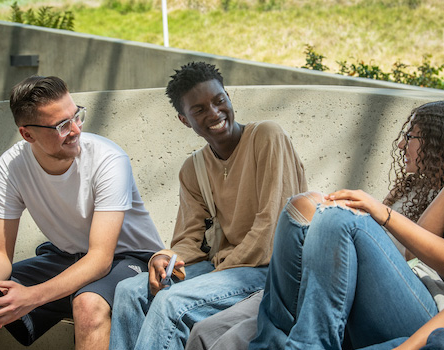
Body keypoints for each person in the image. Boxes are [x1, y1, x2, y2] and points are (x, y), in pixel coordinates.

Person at [185, 100, 444, 350]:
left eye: (411, 138)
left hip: (386, 298)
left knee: (236, 335)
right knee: (208, 331)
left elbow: (413, 256)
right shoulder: (409, 189)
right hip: (333, 277)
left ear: (438, 144)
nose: (399, 145)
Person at [249, 114, 444, 350]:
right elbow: (413, 252)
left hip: (437, 317)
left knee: (342, 218)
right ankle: (268, 344)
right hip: (409, 287)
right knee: (299, 210)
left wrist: (383, 214)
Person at [0, 76, 165, 349]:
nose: (75, 129)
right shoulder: (11, 166)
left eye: (77, 116)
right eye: (62, 125)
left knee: (88, 304)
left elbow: (100, 258)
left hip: (130, 260)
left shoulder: (108, 160)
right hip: (66, 258)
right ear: (28, 134)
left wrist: (30, 297)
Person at [108, 61, 307, 350]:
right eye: (199, 109)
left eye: (218, 100)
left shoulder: (266, 136)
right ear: (184, 120)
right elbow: (190, 239)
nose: (214, 112)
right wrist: (164, 258)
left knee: (171, 303)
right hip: (225, 268)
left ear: (228, 97)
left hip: (272, 269)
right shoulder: (194, 168)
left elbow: (271, 231)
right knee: (129, 290)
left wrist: (214, 275)